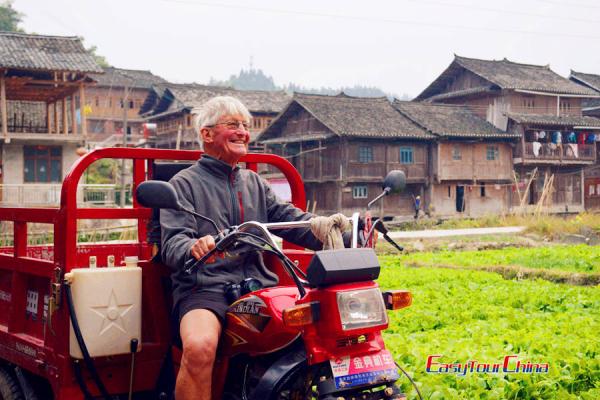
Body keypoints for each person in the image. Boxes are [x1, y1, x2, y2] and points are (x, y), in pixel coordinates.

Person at [160, 96, 326, 400]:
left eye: (246, 126)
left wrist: (328, 228)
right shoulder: (183, 184)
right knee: (199, 347)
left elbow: (292, 221)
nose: (243, 132)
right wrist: (194, 246)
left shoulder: (254, 183)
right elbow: (172, 245)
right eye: (233, 125)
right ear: (207, 135)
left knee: (318, 331)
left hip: (258, 287)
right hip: (205, 289)